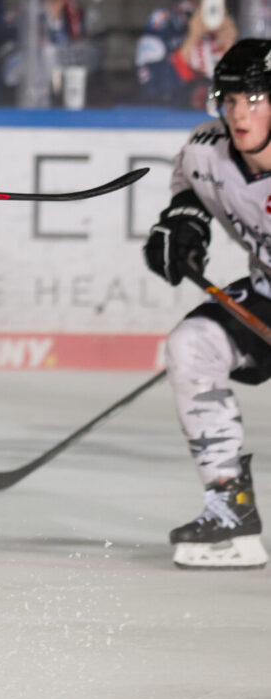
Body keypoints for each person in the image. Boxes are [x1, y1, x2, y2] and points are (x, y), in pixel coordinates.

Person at [141, 39, 271, 571]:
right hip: (266, 292)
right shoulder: (206, 150)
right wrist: (184, 224)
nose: (240, 114)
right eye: (230, 100)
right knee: (192, 345)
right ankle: (229, 509)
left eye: (255, 99)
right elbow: (190, 186)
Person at [0, 0, 102, 103]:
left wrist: (44, 57)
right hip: (30, 109)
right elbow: (10, 72)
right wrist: (65, 55)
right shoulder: (16, 20)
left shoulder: (88, 19)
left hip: (78, 110)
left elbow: (94, 61)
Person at [136, 0, 238, 111]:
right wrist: (191, 39)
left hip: (220, 119)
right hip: (174, 120)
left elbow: (248, 96)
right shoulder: (163, 21)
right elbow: (152, 89)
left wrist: (232, 51)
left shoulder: (231, 25)